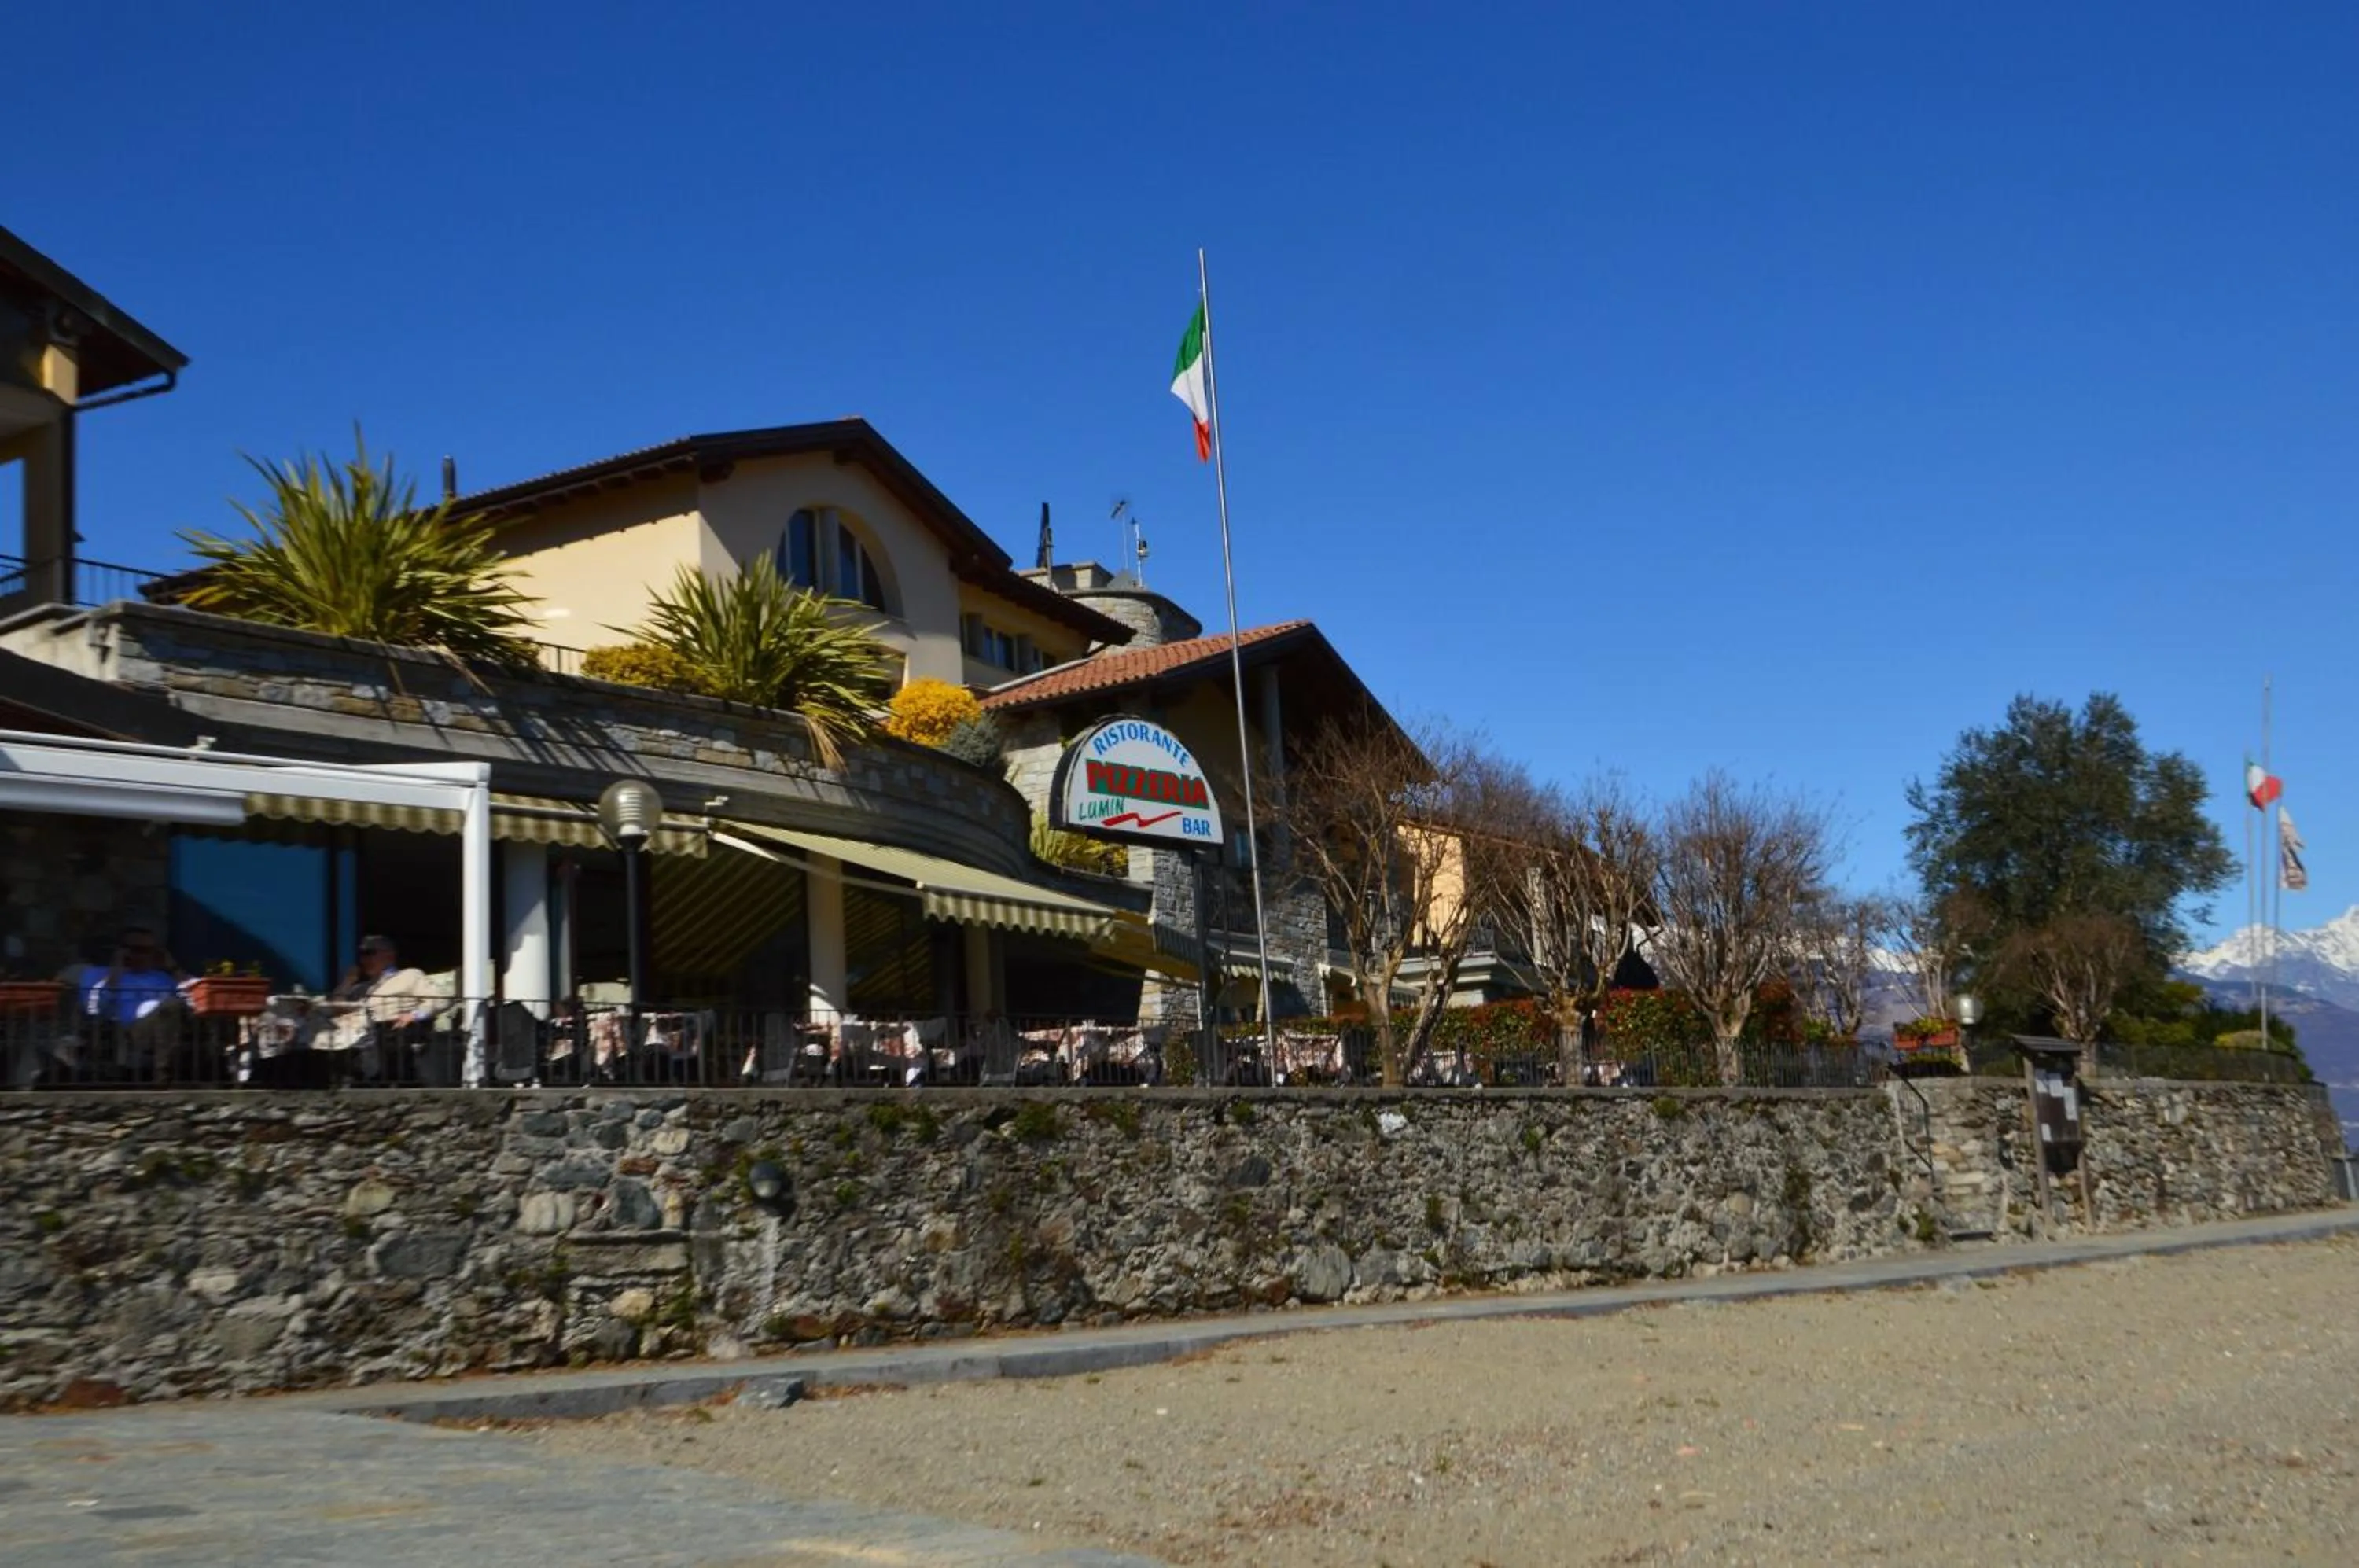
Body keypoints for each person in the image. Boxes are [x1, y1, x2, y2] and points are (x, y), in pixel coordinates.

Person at [76, 927, 191, 1081]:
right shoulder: (97, 974)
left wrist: (173, 967)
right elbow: (94, 1009)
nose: (144, 955)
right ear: (121, 951)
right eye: (137, 950)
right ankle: (163, 1073)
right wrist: (116, 970)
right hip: (126, 1031)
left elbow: (193, 997)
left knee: (180, 1010)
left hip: (167, 1025)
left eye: (150, 950)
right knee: (171, 1007)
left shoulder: (163, 977)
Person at [318, 936, 439, 1069]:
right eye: (362, 955)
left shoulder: (410, 975)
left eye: (369, 953)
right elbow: (334, 1009)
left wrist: (414, 1015)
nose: (364, 960)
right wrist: (348, 981)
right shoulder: (360, 988)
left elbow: (438, 1001)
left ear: (389, 956)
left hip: (391, 1035)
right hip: (356, 1038)